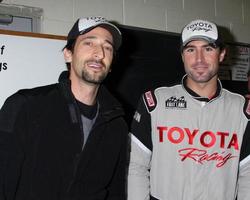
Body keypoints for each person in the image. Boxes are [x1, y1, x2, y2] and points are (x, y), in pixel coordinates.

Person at [0, 16, 128, 199]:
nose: (99, 53)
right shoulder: (25, 106)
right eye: (88, 43)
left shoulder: (117, 125)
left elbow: (116, 191)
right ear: (68, 53)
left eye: (108, 47)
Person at [127, 19, 250, 200]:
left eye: (208, 49)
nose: (199, 59)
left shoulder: (242, 110)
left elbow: (247, 173)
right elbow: (136, 166)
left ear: (222, 54)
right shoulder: (154, 103)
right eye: (191, 49)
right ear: (183, 55)